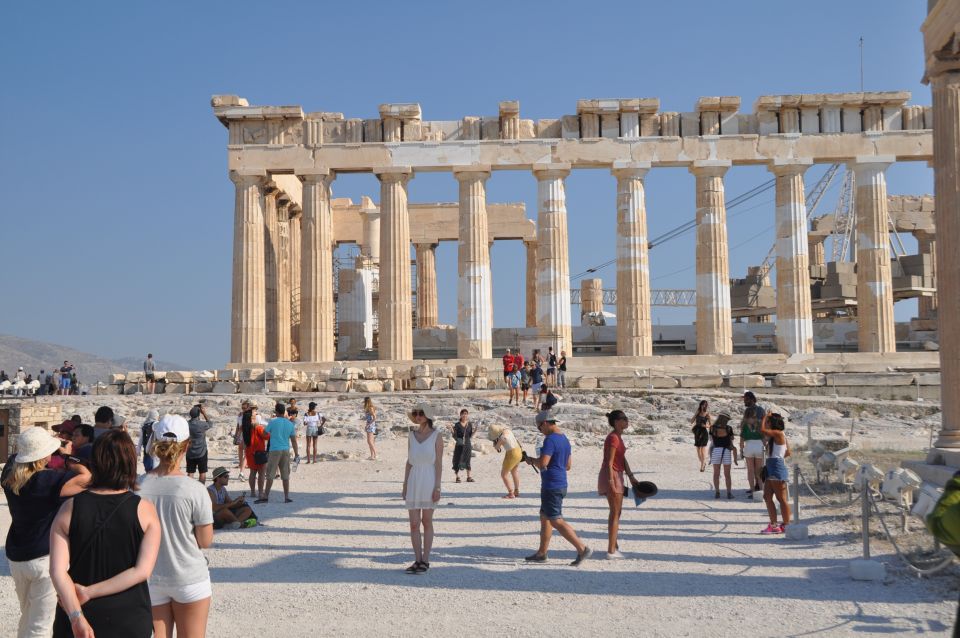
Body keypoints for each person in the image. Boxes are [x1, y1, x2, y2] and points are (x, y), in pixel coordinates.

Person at [50, 429, 160, 638]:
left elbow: (57, 571)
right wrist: (89, 591)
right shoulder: (145, 510)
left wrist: (76, 617)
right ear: (129, 464)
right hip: (129, 616)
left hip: (76, 612)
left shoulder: (69, 508)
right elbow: (141, 571)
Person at [2, 427, 90, 638]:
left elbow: (18, 457)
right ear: (44, 455)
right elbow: (87, 478)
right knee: (41, 625)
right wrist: (68, 456)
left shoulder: (9, 475)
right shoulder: (47, 481)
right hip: (44, 559)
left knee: (28, 616)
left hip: (17, 556)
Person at [139, 415, 214, 638]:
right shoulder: (195, 489)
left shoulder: (138, 486)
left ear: (153, 444)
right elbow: (205, 541)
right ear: (187, 446)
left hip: (151, 577)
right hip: (188, 576)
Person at [523, 409, 592, 566]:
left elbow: (543, 463)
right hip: (561, 483)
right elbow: (568, 465)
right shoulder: (564, 439)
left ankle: (582, 549)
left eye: (539, 428)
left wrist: (531, 460)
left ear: (545, 423)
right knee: (545, 517)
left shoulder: (550, 440)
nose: (540, 431)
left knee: (555, 519)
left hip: (551, 485)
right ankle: (542, 553)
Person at [402, 403, 443, 574]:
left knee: (426, 521)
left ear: (428, 416)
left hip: (429, 478)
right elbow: (409, 461)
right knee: (413, 524)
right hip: (414, 479)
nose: (418, 416)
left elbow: (439, 463)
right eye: (416, 413)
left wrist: (438, 487)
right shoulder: (411, 435)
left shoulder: (437, 436)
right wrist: (404, 484)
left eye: (421, 413)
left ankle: (425, 560)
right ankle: (417, 559)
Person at [599, 410, 643, 559]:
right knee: (615, 513)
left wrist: (631, 476)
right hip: (612, 476)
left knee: (617, 512)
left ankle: (614, 544)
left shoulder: (618, 437)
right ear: (617, 422)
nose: (627, 421)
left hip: (617, 475)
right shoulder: (613, 438)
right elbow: (610, 462)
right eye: (624, 419)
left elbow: (622, 458)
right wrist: (611, 482)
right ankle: (611, 550)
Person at [759, 413, 791, 534]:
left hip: (776, 466)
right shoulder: (777, 436)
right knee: (767, 496)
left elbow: (762, 430)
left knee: (781, 499)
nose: (767, 424)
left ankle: (786, 525)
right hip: (772, 465)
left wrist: (764, 416)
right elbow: (788, 452)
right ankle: (774, 525)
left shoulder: (778, 433)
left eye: (768, 422)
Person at [262, 402, 300, 504]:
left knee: (270, 474)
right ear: (284, 412)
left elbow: (264, 433)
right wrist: (296, 453)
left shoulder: (273, 422)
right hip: (285, 450)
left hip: (274, 450)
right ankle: (286, 497)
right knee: (285, 475)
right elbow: (293, 440)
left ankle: (266, 496)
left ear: (276, 411)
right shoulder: (290, 424)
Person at [488, 424, 523, 499]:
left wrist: (495, 444)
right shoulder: (507, 430)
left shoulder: (502, 438)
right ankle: (516, 491)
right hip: (518, 450)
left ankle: (511, 493)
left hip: (512, 453)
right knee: (514, 471)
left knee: (504, 474)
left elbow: (497, 448)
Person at [242, 405, 268, 501]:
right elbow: (267, 436)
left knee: (252, 472)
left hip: (249, 452)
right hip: (259, 452)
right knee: (261, 473)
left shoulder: (245, 427)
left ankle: (253, 492)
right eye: (254, 414)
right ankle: (260, 492)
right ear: (251, 418)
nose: (256, 415)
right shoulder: (257, 427)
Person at [710, 412, 738, 499]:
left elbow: (711, 439)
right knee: (727, 474)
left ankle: (717, 492)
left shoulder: (712, 428)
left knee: (716, 473)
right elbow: (732, 439)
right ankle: (729, 493)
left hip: (716, 450)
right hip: (726, 451)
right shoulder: (728, 428)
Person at [739, 406, 765, 498]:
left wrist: (741, 450)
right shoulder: (759, 423)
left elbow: (742, 440)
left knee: (750, 470)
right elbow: (764, 438)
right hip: (759, 446)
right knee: (759, 470)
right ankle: (761, 490)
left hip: (749, 446)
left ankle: (753, 491)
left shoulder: (744, 424)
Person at [186, 404, 212, 484]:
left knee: (190, 472)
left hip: (190, 452)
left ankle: (189, 490)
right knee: (202, 472)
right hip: (201, 451)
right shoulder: (202, 424)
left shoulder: (186, 424)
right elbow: (210, 424)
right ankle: (201, 490)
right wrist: (204, 413)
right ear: (199, 414)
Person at [451, 409, 475, 483]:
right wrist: (451, 429)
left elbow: (470, 435)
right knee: (457, 459)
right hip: (459, 444)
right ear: (460, 415)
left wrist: (476, 430)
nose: (465, 415)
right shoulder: (457, 425)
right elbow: (455, 436)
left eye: (466, 414)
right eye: (463, 414)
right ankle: (457, 477)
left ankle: (469, 477)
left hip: (467, 444)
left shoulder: (469, 424)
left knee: (468, 459)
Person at [690, 400, 711, 472]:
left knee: (703, 450)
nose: (703, 406)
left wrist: (705, 426)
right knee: (698, 450)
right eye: (702, 405)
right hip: (697, 432)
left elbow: (711, 425)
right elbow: (691, 421)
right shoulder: (698, 413)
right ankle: (703, 462)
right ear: (700, 405)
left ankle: (702, 466)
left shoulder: (707, 414)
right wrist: (695, 414)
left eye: (705, 405)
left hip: (704, 432)